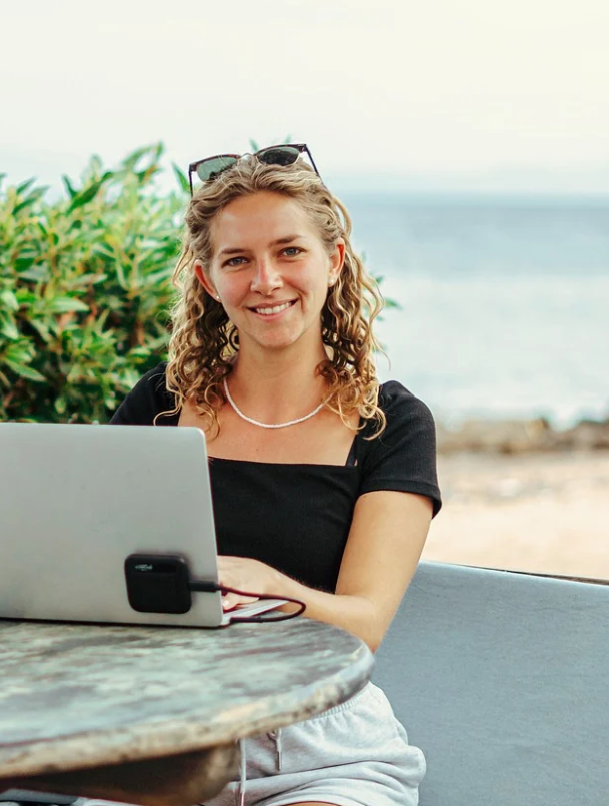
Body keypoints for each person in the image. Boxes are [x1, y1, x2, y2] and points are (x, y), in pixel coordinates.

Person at [105, 144, 442, 806]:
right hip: (163, 738)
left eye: (289, 251)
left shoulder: (389, 424)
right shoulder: (159, 407)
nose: (266, 280)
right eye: (237, 259)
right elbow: (91, 571)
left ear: (333, 261)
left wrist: (266, 586)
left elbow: (364, 623)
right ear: (208, 280)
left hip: (322, 749)